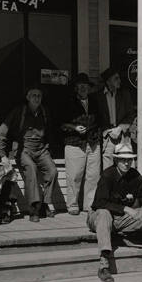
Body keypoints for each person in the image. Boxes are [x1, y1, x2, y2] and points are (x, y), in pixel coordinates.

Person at [87, 140, 142, 282]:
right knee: (104, 213)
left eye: (129, 160)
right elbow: (99, 203)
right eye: (123, 160)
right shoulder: (107, 175)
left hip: (122, 221)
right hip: (99, 219)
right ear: (116, 160)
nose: (126, 163)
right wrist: (126, 209)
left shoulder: (135, 176)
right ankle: (104, 265)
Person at [0, 86, 58, 222]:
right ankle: (34, 208)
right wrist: (3, 155)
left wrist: (49, 148)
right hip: (24, 149)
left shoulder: (44, 112)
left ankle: (46, 203)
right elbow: (1, 133)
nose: (36, 98)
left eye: (39, 96)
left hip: (41, 149)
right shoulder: (19, 112)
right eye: (33, 95)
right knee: (31, 169)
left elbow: (50, 132)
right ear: (28, 98)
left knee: (52, 170)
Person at [61, 72, 101, 215]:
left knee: (93, 176)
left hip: (93, 142)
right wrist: (74, 127)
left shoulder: (95, 101)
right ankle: (72, 204)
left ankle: (89, 205)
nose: (83, 88)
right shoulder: (67, 103)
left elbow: (100, 121)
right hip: (74, 142)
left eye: (86, 86)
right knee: (74, 175)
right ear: (76, 88)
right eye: (80, 86)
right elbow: (61, 124)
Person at [96, 67, 135, 170]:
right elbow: (97, 118)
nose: (119, 81)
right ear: (108, 81)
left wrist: (119, 128)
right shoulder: (99, 96)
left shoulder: (124, 94)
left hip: (122, 134)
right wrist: (107, 131)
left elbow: (131, 114)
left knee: (126, 164)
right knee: (107, 167)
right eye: (116, 78)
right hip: (107, 136)